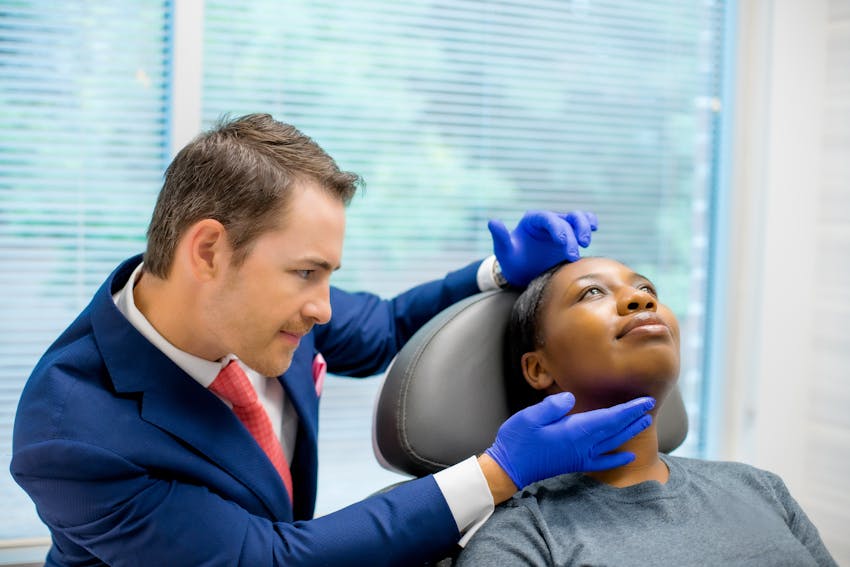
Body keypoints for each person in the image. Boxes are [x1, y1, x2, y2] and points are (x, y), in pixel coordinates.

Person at [10, 114, 657, 567]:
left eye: (328, 275)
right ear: (207, 250)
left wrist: (500, 274)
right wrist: (496, 472)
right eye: (306, 273)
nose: (323, 308)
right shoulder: (70, 433)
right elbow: (267, 560)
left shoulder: (250, 302)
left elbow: (382, 328)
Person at [455, 257, 838, 566]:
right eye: (591, 293)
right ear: (539, 369)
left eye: (647, 289)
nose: (641, 301)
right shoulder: (521, 535)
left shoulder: (761, 488)